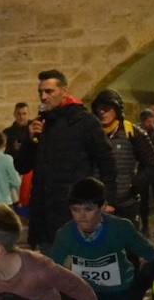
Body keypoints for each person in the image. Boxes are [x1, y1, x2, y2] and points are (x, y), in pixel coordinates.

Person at [27, 70, 116, 250]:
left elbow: (106, 161)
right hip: (44, 214)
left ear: (64, 91)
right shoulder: (40, 124)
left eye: (49, 91)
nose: (43, 97)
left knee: (75, 270)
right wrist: (30, 141)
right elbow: (22, 166)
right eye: (41, 92)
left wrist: (107, 200)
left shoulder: (84, 122)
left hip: (74, 212)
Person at [89, 89, 154, 226]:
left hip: (126, 203)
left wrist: (135, 184)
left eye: (107, 108)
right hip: (97, 202)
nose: (102, 112)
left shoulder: (132, 133)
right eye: (99, 109)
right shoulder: (91, 134)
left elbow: (152, 165)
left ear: (116, 110)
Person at [3, 102, 35, 175]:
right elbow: (5, 155)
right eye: (19, 114)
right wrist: (14, 149)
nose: (21, 117)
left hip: (32, 169)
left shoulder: (35, 129)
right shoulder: (7, 132)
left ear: (29, 114)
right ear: (14, 114)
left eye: (24, 113)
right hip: (14, 170)